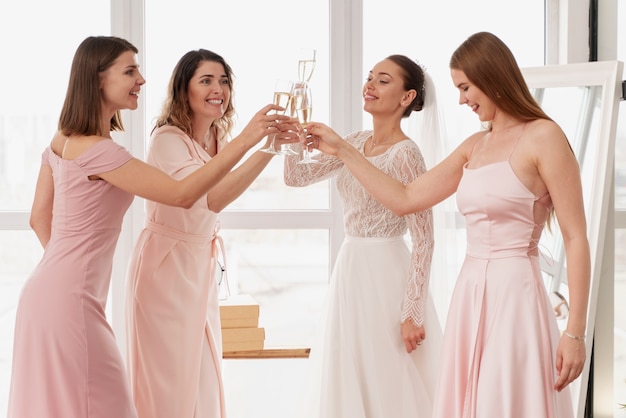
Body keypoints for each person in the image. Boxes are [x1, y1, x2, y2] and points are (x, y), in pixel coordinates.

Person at [306, 32, 590, 418]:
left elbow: (575, 237)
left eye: (466, 87)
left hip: (516, 294)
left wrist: (574, 333)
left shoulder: (545, 137)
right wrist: (343, 149)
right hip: (470, 292)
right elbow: (405, 198)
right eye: (458, 88)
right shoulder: (475, 145)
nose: (461, 99)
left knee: (506, 398)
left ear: (492, 77)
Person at [7, 36, 288, 418]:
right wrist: (250, 139)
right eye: (129, 71)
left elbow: (38, 218)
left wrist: (65, 269)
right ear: (97, 79)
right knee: (110, 406)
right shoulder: (103, 152)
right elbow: (182, 194)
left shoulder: (64, 140)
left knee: (68, 406)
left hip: (48, 293)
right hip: (71, 301)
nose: (141, 79)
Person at [125, 49, 296, 418]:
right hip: (165, 268)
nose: (218, 88)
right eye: (206, 80)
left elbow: (224, 191)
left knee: (201, 373)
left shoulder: (217, 136)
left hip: (199, 268)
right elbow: (208, 198)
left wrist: (270, 147)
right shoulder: (167, 140)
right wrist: (252, 138)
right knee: (168, 379)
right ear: (182, 90)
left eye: (223, 80)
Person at [284, 55, 442, 418]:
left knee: (387, 375)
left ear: (407, 97)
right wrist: (292, 138)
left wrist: (413, 311)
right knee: (349, 368)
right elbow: (296, 178)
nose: (369, 85)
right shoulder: (355, 140)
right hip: (351, 269)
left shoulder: (406, 154)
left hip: (388, 275)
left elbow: (425, 238)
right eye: (370, 77)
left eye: (383, 80)